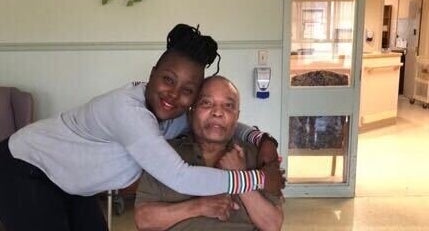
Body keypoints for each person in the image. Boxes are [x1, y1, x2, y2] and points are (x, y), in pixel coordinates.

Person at [0, 24, 283, 231]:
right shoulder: (127, 111)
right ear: (152, 75)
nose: (173, 94)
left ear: (193, 100)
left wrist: (262, 139)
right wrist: (258, 179)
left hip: (70, 184)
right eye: (168, 80)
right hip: (24, 167)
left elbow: (215, 122)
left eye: (188, 90)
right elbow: (180, 177)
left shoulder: (175, 115)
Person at [134, 76, 284, 231]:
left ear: (236, 116)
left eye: (228, 105)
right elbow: (143, 219)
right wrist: (199, 207)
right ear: (191, 112)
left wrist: (240, 176)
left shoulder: (255, 156)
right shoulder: (165, 153)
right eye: (206, 103)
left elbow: (272, 225)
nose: (218, 112)